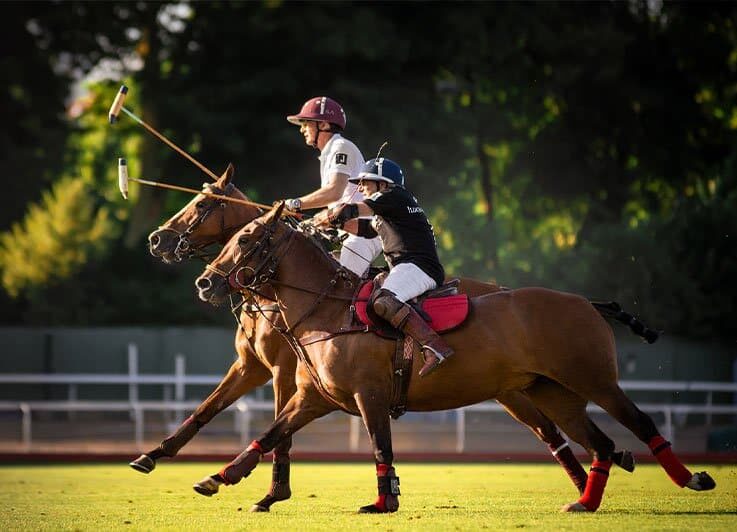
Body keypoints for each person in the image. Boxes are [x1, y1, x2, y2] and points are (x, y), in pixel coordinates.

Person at [314, 158, 453, 377]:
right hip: (407, 266)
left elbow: (350, 211)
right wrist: (326, 224)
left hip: (419, 267)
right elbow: (364, 229)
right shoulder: (389, 209)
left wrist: (328, 215)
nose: (360, 187)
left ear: (383, 183)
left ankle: (434, 346)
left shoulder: (393, 196)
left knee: (384, 300)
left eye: (366, 182)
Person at [284, 96, 381, 276]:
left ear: (324, 124)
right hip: (350, 231)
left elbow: (334, 192)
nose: (302, 129)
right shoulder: (330, 152)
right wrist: (312, 222)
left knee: (339, 290)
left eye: (306, 123)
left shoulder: (341, 147)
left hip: (363, 233)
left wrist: (293, 204)